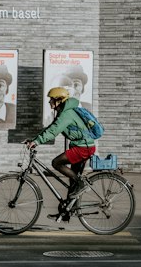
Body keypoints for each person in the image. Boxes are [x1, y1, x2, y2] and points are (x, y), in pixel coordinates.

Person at [27, 86, 95, 215]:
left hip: (83, 148)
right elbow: (52, 127)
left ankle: (81, 183)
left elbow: (53, 131)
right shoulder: (63, 112)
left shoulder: (66, 114)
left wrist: (36, 142)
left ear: (59, 100)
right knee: (72, 179)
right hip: (81, 146)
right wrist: (35, 139)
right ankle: (69, 210)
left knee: (56, 163)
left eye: (51, 99)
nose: (49, 102)